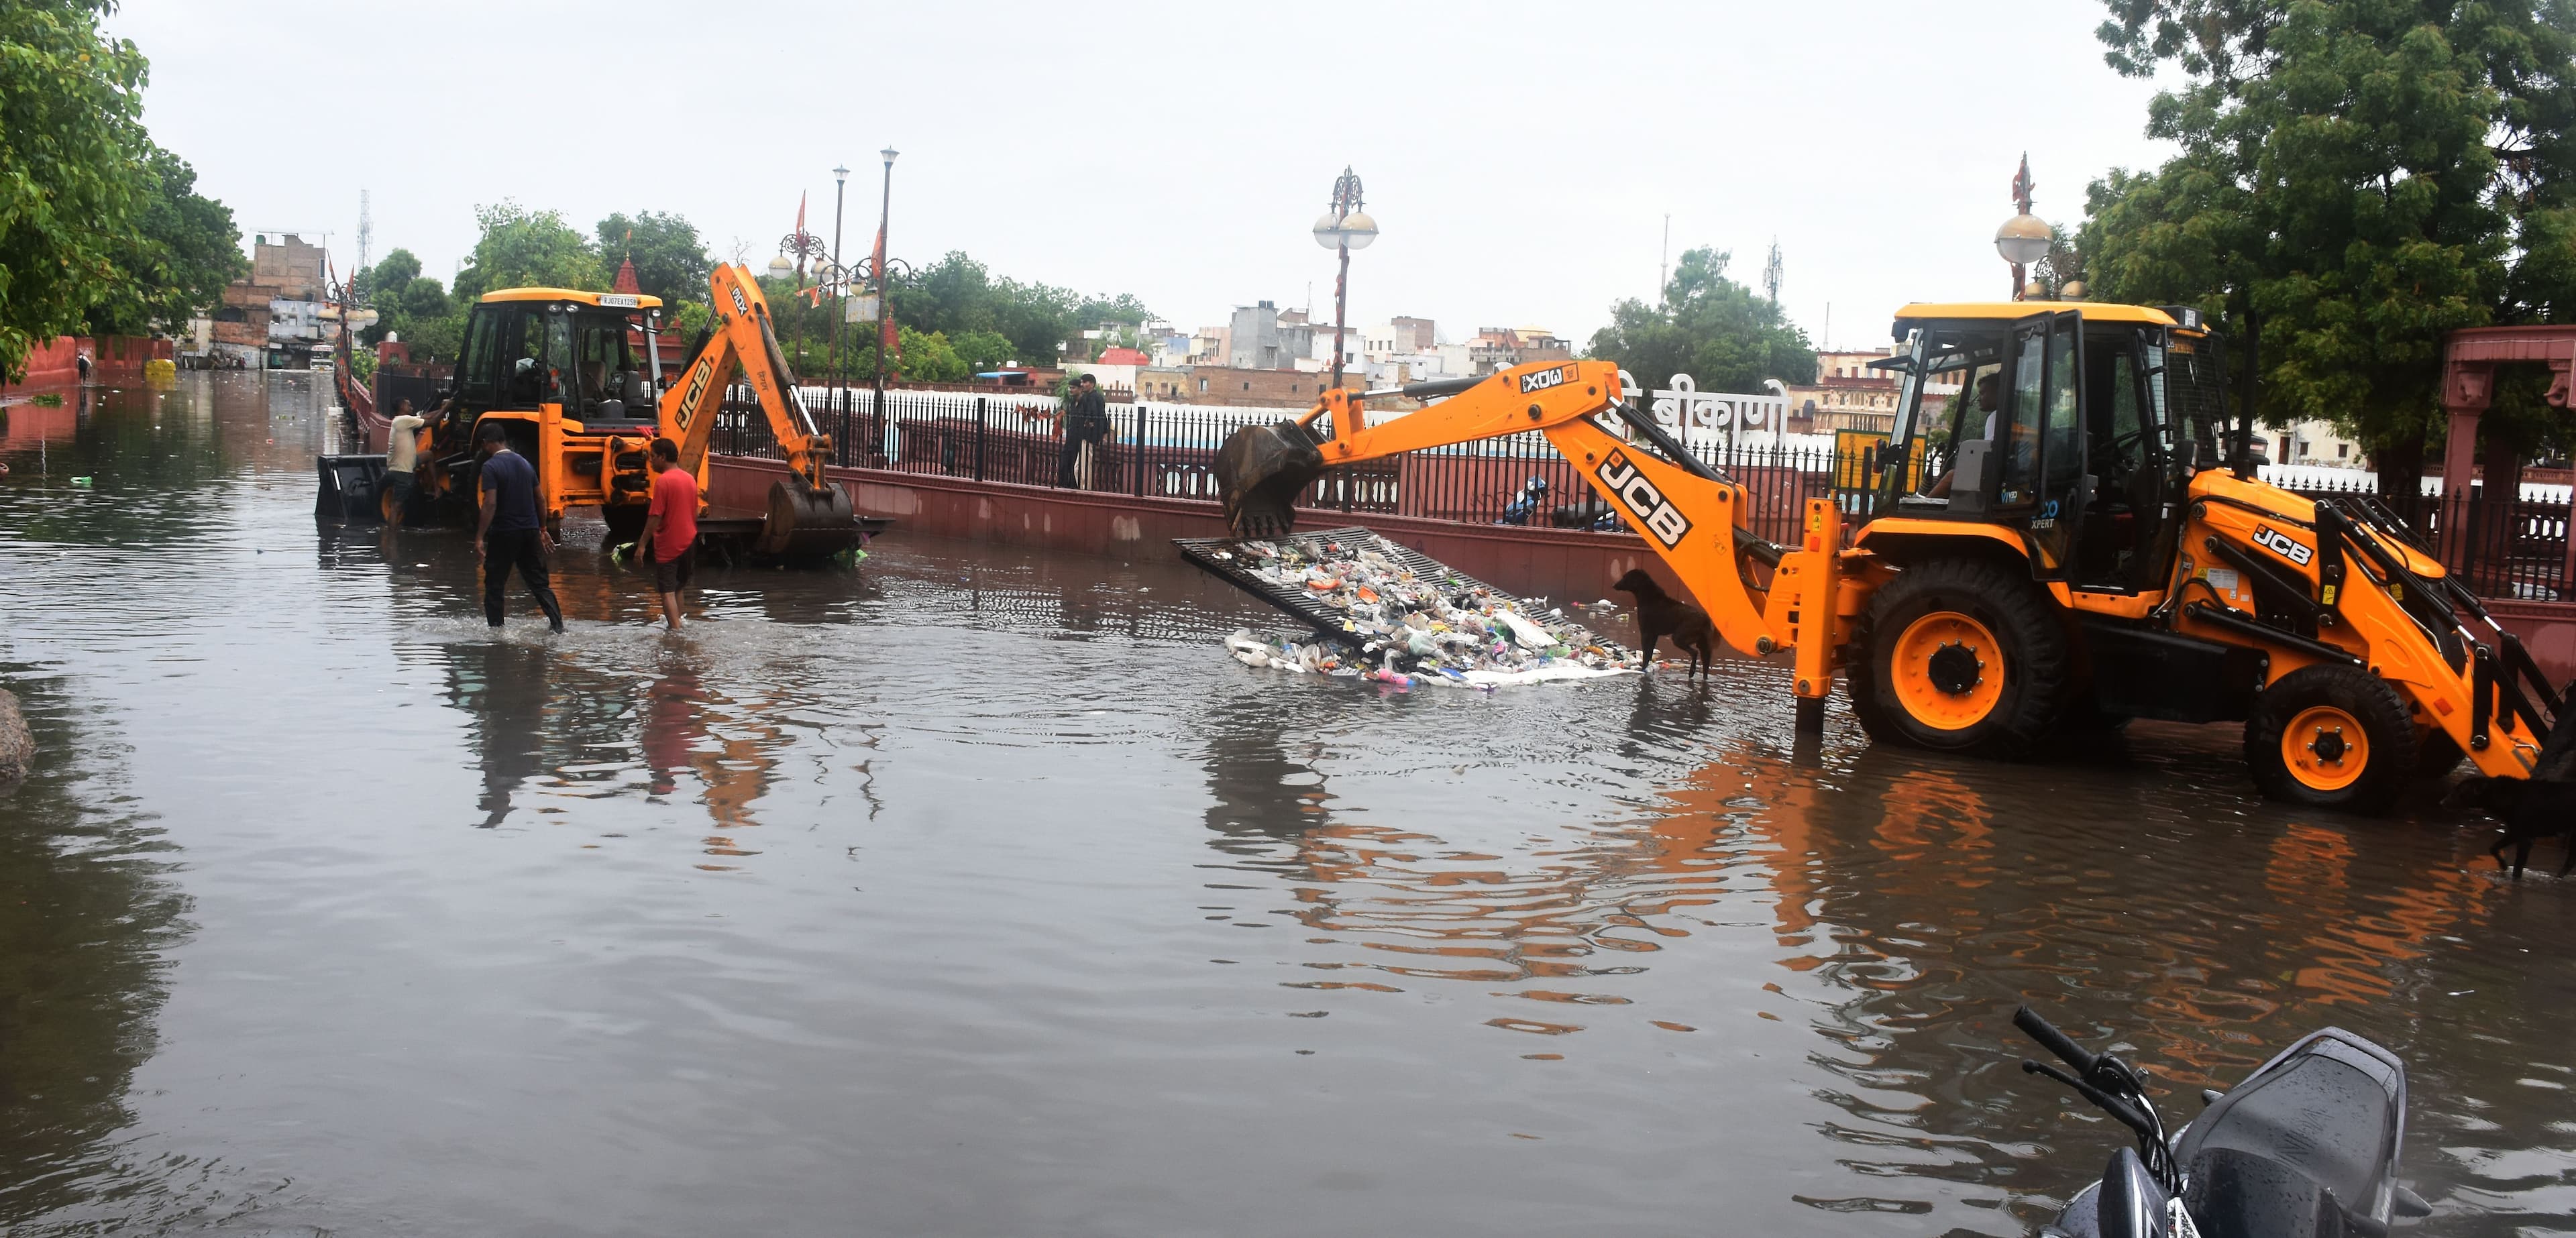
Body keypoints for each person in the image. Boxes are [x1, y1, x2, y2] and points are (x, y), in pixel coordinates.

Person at [473, 420, 564, 632]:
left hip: (505, 533)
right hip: (530, 532)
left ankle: (497, 633)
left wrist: (479, 537)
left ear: (486, 443)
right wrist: (542, 530)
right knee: (540, 584)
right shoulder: (525, 463)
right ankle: (558, 627)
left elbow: (490, 503)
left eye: (482, 445)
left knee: (495, 584)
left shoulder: (490, 466)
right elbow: (540, 499)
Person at [635, 437, 699, 632]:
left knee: (666, 592)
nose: (651, 461)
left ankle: (676, 633)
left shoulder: (663, 482)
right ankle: (681, 624)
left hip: (669, 545)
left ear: (663, 457)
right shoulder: (689, 479)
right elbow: (693, 511)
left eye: (653, 457)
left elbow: (655, 516)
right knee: (679, 587)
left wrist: (642, 545)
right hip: (690, 541)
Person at [382, 398, 431, 524]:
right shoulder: (404, 420)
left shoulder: (400, 421)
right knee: (396, 507)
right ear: (403, 406)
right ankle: (391, 539)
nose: (412, 408)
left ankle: (436, 489)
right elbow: (433, 421)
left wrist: (441, 410)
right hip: (402, 472)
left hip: (402, 465)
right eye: (409, 405)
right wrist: (447, 409)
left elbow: (426, 416)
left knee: (429, 455)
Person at [1059, 373, 1110, 488]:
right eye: (1082, 382)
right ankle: (1083, 488)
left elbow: (1099, 416)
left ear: (1092, 384)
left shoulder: (1094, 398)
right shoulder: (1089, 398)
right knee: (1079, 468)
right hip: (1084, 436)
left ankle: (1086, 490)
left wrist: (1093, 425)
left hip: (1089, 436)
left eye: (1085, 382)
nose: (1083, 385)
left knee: (1084, 467)